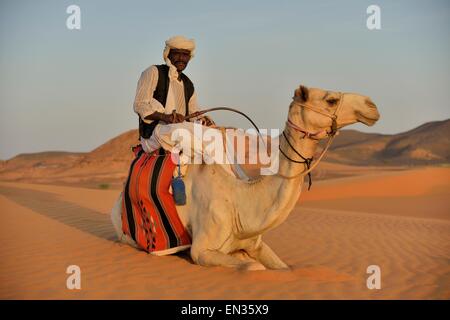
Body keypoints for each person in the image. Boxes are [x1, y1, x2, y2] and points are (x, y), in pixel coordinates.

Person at [133, 35, 214, 154]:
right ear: (168, 54)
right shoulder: (154, 72)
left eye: (185, 55)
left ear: (189, 58)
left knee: (214, 135)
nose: (181, 58)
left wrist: (204, 120)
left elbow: (193, 112)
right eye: (177, 53)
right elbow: (140, 105)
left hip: (181, 129)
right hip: (155, 132)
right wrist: (166, 117)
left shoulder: (188, 84)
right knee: (182, 131)